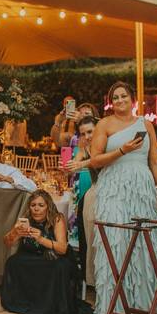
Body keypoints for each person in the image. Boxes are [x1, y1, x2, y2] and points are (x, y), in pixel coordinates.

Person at [88, 82, 157, 314]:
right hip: (113, 188)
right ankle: (113, 308)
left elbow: (155, 161)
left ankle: (141, 305)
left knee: (142, 242)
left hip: (141, 189)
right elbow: (95, 160)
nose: (120, 100)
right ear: (111, 101)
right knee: (115, 242)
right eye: (116, 97)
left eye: (124, 96)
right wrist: (121, 151)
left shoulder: (146, 125)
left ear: (133, 99)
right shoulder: (104, 124)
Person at [1, 190, 77, 314]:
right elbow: (7, 243)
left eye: (41, 205)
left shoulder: (57, 218)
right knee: (12, 262)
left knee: (59, 267)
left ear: (48, 207)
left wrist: (41, 239)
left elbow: (62, 248)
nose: (36, 209)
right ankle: (21, 301)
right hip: (30, 255)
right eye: (33, 205)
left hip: (54, 256)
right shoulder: (26, 219)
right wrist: (15, 232)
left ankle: (51, 305)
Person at [64, 116, 101, 292]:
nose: (86, 136)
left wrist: (79, 164)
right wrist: (69, 166)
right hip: (93, 193)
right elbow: (76, 163)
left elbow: (96, 162)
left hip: (108, 194)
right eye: (82, 133)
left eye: (90, 131)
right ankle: (92, 280)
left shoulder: (107, 145)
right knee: (89, 238)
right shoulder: (84, 146)